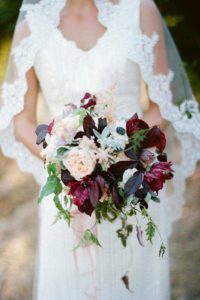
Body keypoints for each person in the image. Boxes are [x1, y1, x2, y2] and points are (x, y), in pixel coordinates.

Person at [0, 0, 199, 299]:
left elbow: (162, 108)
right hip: (67, 199)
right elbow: (22, 120)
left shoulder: (140, 11)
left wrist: (118, 155)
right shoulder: (33, 23)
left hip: (131, 189)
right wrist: (64, 164)